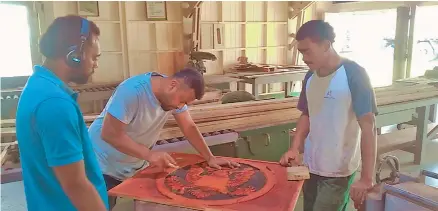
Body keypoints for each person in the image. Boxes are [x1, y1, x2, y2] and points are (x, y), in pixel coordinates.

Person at [88, 68, 240, 210]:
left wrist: (210, 157)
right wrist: (149, 155)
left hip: (131, 165)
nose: (180, 107)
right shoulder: (132, 92)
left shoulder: (174, 94)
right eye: (182, 101)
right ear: (173, 85)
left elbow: (188, 126)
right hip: (100, 162)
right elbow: (109, 134)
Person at [279, 20, 377, 211]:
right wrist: (294, 148)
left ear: (325, 45)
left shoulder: (354, 74)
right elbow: (306, 115)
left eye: (307, 51)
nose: (304, 58)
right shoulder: (310, 76)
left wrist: (366, 178)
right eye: (301, 52)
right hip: (311, 164)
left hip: (338, 170)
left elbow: (368, 127)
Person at [16, 15, 108, 211]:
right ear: (74, 55)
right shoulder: (54, 104)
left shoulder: (38, 86)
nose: (95, 64)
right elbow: (76, 185)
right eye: (94, 57)